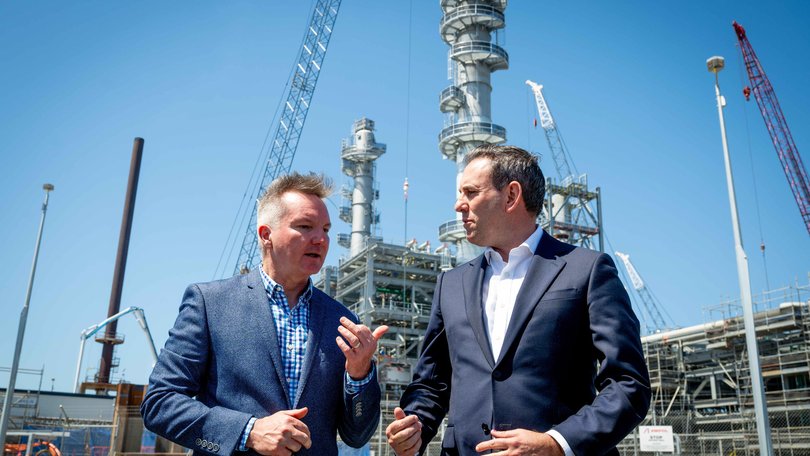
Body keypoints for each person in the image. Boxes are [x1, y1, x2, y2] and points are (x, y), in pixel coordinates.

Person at [386, 145, 650, 456]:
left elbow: (627, 384)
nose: (459, 205)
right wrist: (415, 425)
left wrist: (556, 443)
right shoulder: (451, 284)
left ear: (512, 196)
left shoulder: (587, 270)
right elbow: (431, 384)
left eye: (470, 193)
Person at [141, 172, 387, 456]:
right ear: (266, 235)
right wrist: (248, 431)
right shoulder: (210, 304)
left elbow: (357, 437)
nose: (321, 239)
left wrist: (359, 375)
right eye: (305, 226)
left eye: (326, 229)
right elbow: (160, 403)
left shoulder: (343, 322)